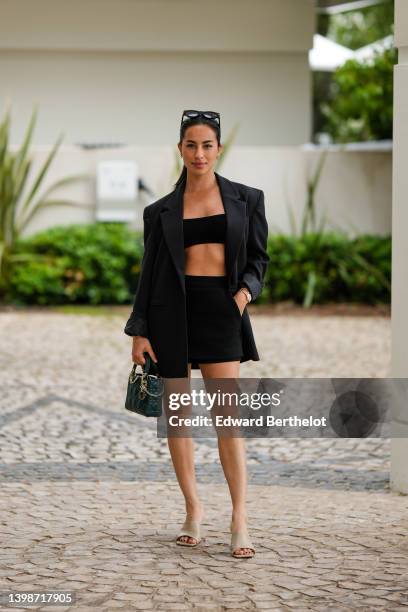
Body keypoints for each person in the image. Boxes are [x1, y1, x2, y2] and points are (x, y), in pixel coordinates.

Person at [124, 110, 269, 558]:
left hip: (222, 311)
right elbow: (150, 273)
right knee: (179, 421)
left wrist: (244, 295)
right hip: (171, 316)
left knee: (228, 419)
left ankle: (240, 516)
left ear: (218, 149)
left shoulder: (248, 198)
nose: (199, 153)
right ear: (181, 149)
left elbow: (259, 261)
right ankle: (193, 509)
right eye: (191, 145)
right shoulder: (160, 210)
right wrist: (139, 330)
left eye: (207, 145)